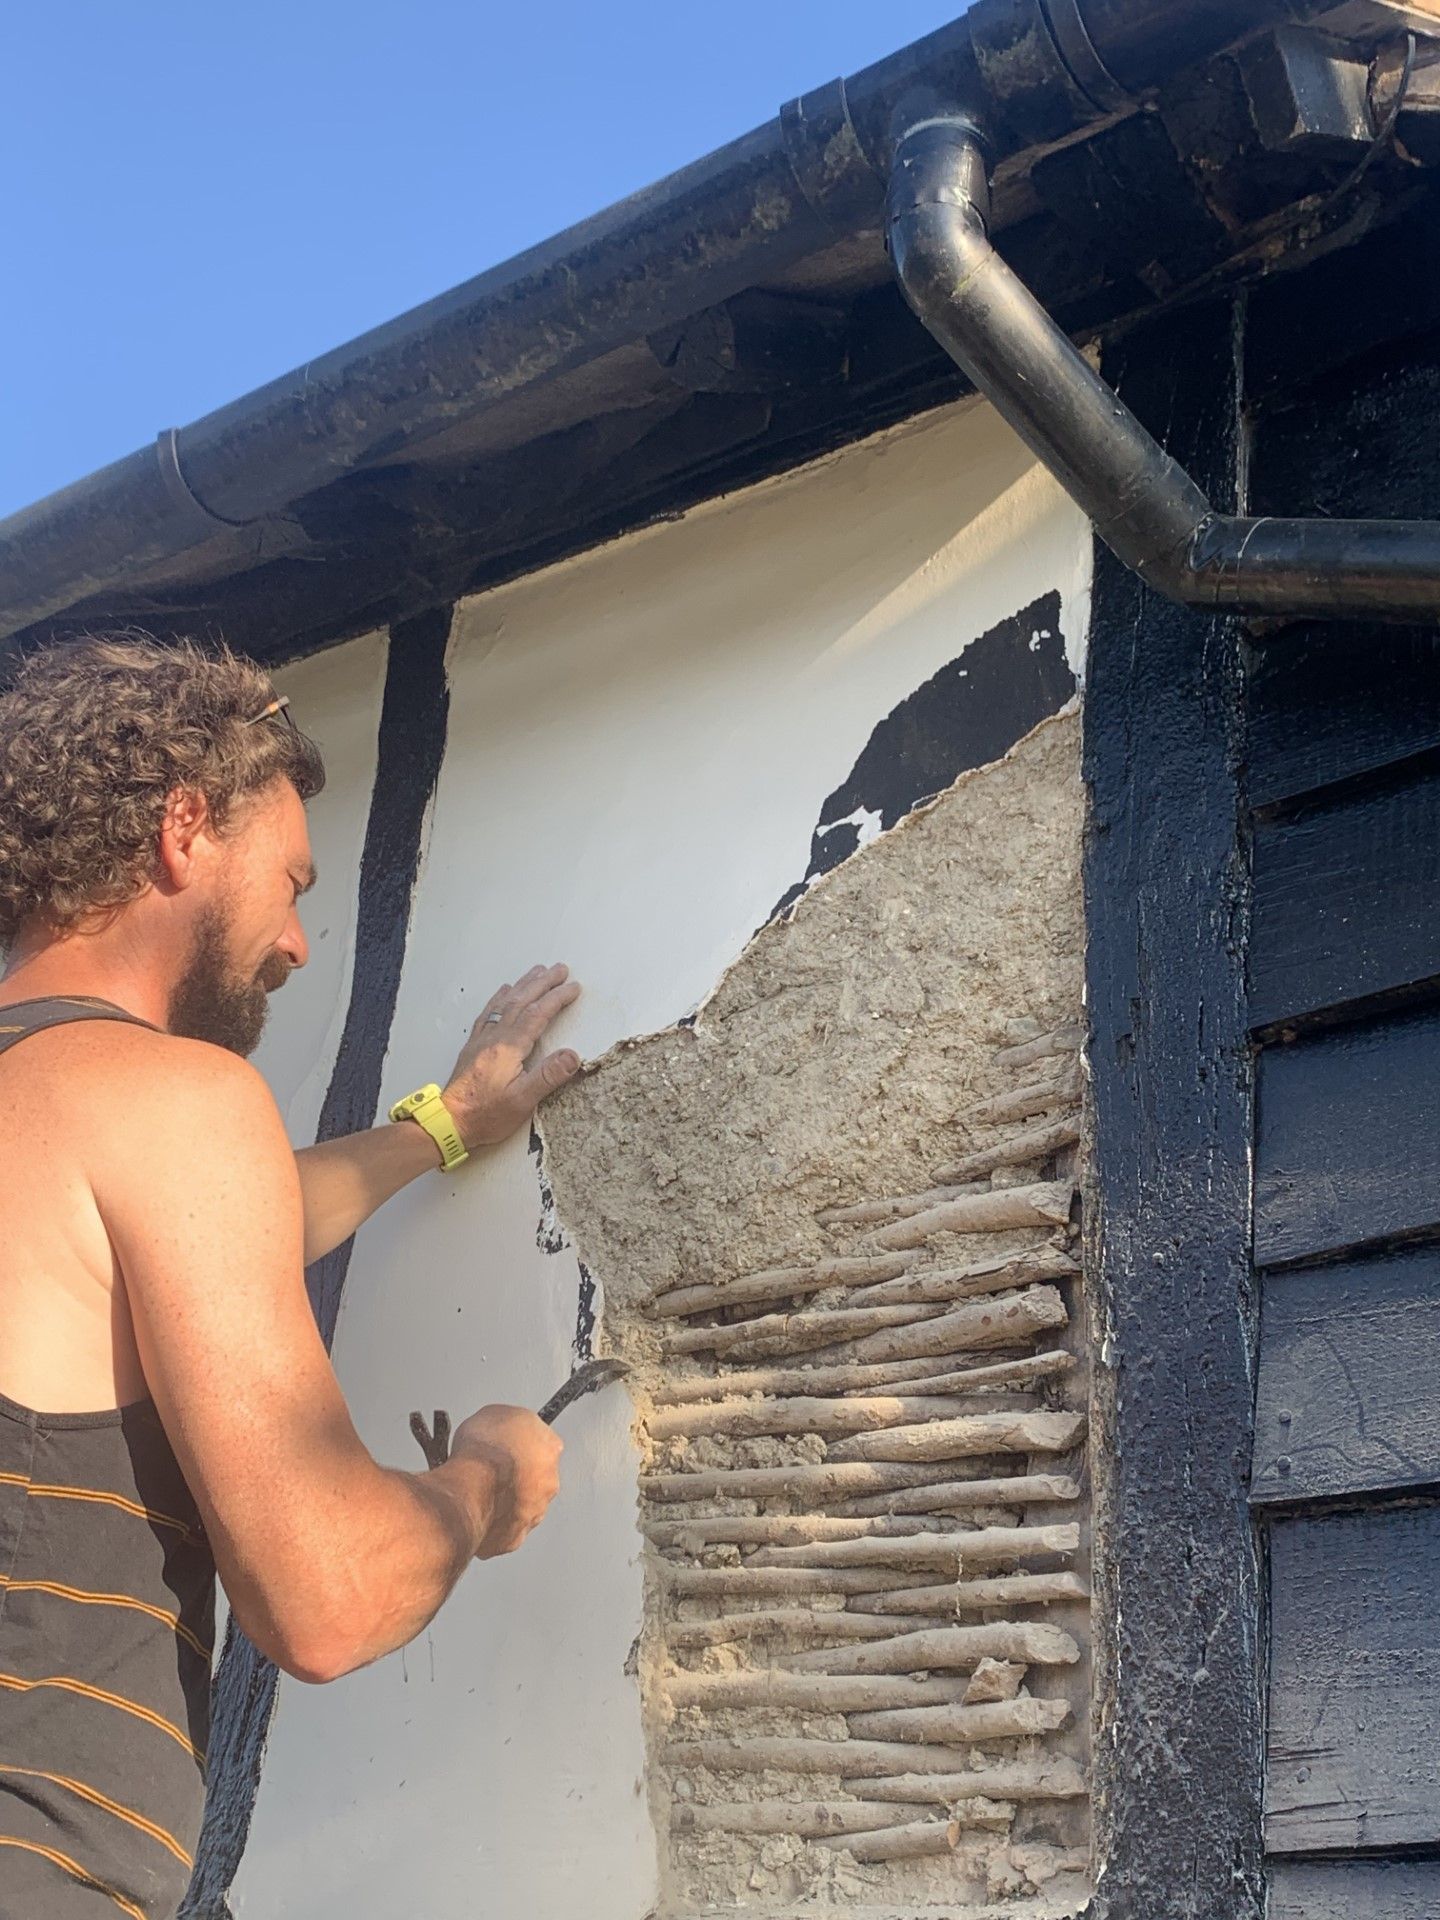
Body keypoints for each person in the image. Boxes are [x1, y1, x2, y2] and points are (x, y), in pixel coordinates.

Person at [0, 634, 579, 1920]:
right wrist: (489, 1477)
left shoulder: (48, 1113)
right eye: (292, 881)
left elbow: (209, 1232)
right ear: (184, 827)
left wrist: (439, 1128)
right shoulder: (168, 1103)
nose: (302, 943)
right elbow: (327, 1595)